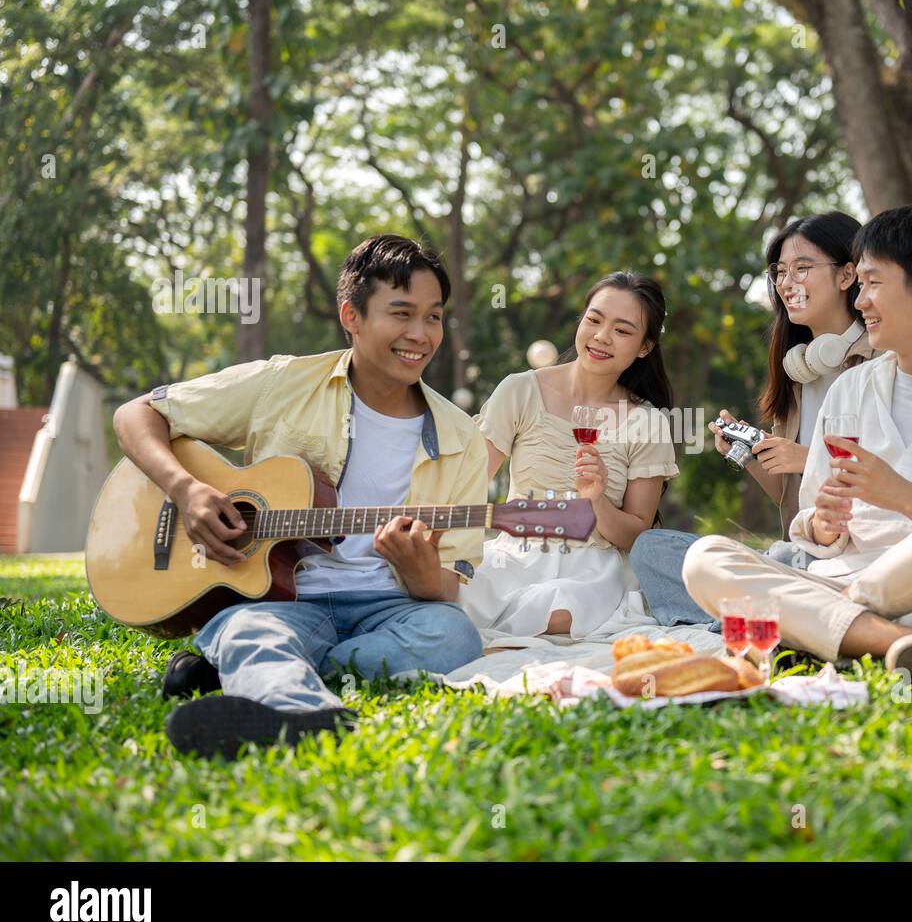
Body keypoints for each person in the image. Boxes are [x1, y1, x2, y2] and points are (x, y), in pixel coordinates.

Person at [112, 234, 488, 757]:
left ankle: (266, 677)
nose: (420, 335)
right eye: (401, 314)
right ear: (351, 316)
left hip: (389, 609)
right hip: (283, 599)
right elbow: (136, 414)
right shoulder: (282, 383)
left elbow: (447, 584)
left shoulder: (461, 438)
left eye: (434, 317)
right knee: (251, 628)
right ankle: (300, 708)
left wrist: (422, 575)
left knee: (454, 636)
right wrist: (187, 489)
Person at [682, 204, 912, 672]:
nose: (860, 301)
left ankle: (834, 624)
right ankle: (899, 641)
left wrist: (901, 495)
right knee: (705, 558)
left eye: (874, 283)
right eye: (859, 285)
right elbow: (816, 534)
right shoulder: (852, 390)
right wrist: (823, 523)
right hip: (836, 580)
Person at [630, 211, 874, 628]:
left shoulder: (879, 362)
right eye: (779, 272)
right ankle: (775, 615)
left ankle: (758, 617)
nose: (786, 283)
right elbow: (786, 494)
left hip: (857, 558)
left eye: (802, 268)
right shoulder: (797, 373)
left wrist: (806, 457)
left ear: (847, 274)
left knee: (760, 568)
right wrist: (750, 453)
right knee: (651, 549)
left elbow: (892, 465)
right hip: (800, 555)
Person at [460, 272, 679, 645]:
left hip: (592, 565)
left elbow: (637, 537)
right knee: (456, 597)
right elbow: (465, 484)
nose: (601, 337)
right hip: (515, 553)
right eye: (594, 320)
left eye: (622, 331)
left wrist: (595, 500)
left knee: (559, 610)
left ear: (645, 347)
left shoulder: (648, 422)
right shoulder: (520, 390)